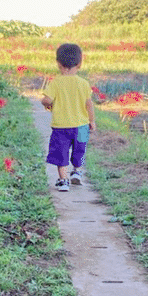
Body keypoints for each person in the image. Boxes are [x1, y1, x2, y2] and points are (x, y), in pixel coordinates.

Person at [41, 43, 96, 192]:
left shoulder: (56, 83)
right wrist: (92, 121)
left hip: (61, 126)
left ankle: (63, 180)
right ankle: (77, 171)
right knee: (80, 150)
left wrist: (47, 105)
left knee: (61, 152)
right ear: (79, 63)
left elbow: (47, 100)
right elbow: (89, 105)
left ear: (58, 63)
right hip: (82, 125)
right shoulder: (84, 84)